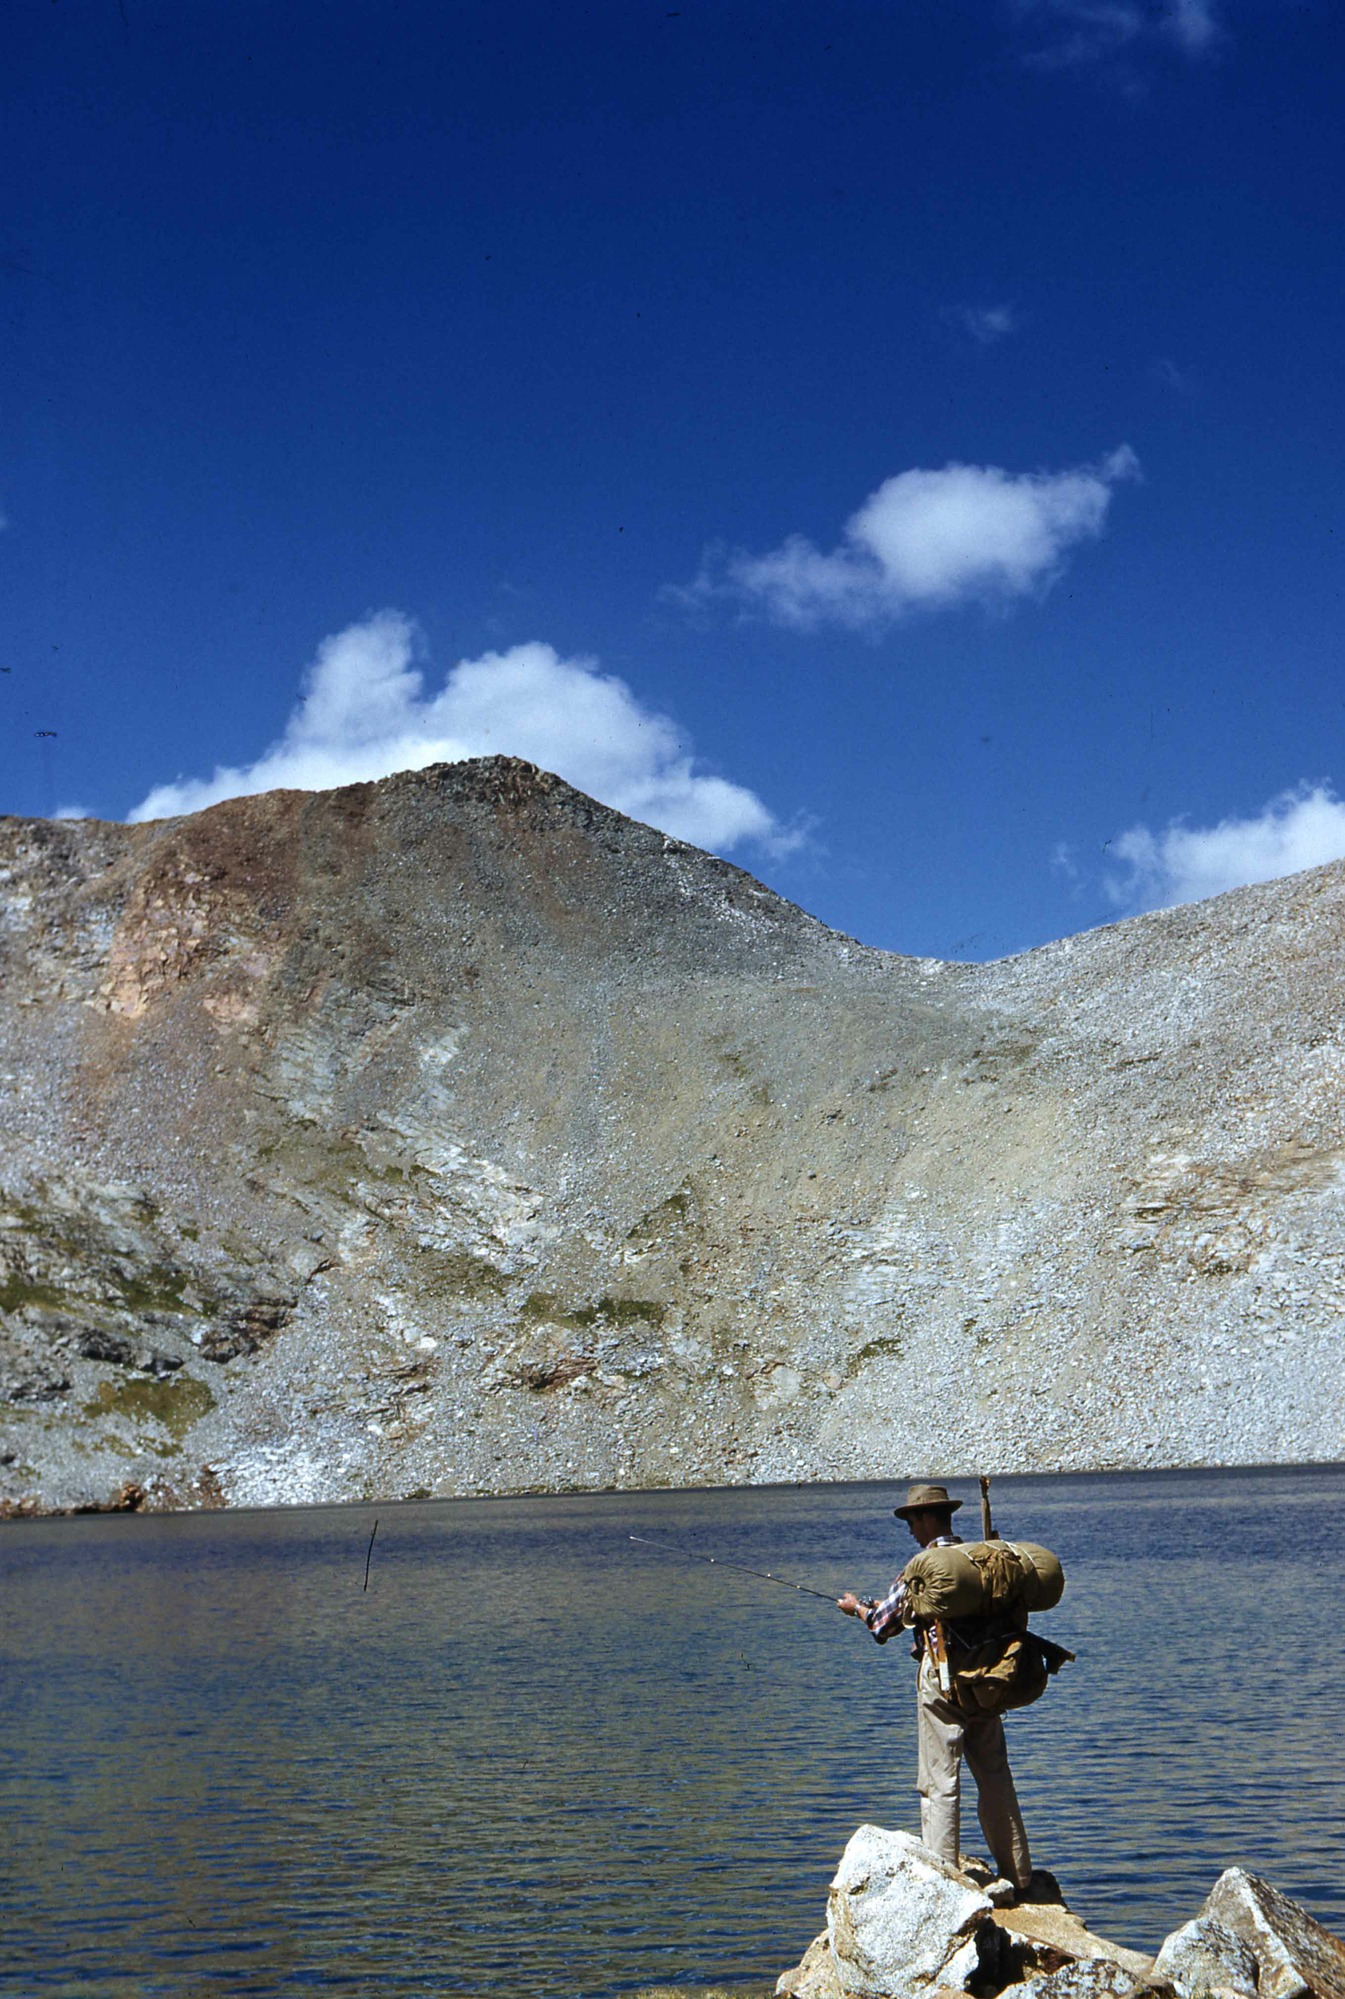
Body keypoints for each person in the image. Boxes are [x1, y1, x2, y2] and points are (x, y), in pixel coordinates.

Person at [838, 1481, 1032, 1896]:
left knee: (939, 1782)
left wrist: (857, 1609)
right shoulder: (977, 1559)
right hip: (988, 1678)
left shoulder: (923, 1567)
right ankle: (1019, 1875)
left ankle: (944, 1883)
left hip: (943, 1682)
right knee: (995, 1778)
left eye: (912, 1521)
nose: (910, 1530)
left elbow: (883, 1625)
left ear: (927, 1519)